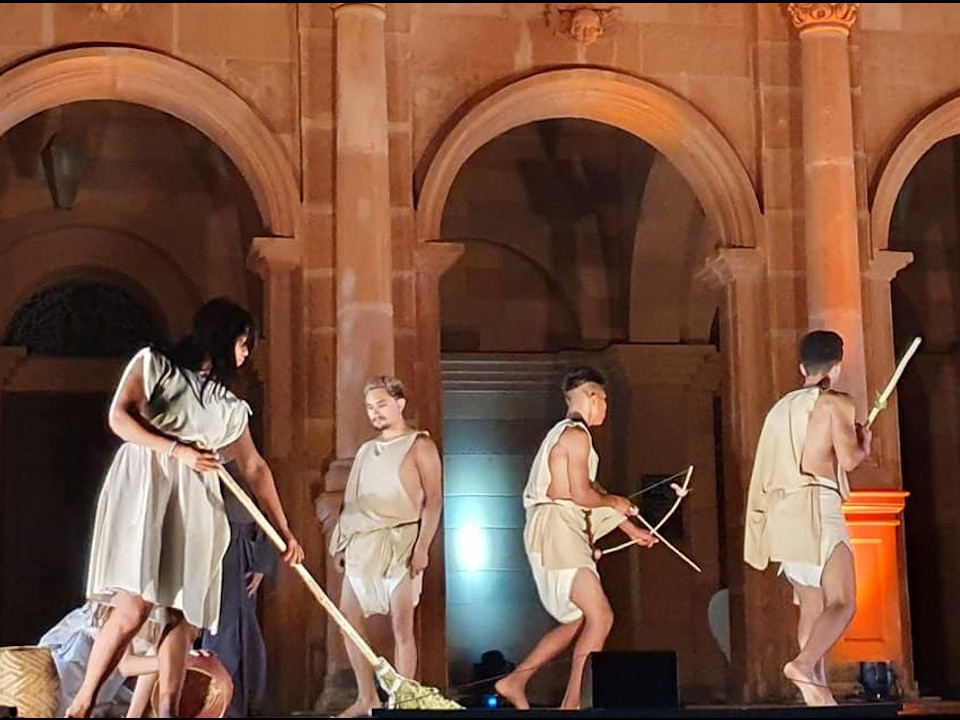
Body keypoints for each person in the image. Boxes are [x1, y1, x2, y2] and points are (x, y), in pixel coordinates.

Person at [65, 298, 305, 718]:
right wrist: (178, 450)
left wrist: (283, 531)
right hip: (146, 490)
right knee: (134, 606)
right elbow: (120, 418)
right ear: (223, 336)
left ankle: (169, 711)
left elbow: (254, 467)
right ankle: (82, 703)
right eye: (243, 344)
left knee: (183, 612)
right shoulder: (154, 366)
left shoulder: (228, 407)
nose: (245, 355)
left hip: (195, 503)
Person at [495, 366, 657, 710]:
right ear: (591, 397)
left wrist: (631, 528)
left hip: (560, 527)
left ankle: (516, 680)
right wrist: (616, 502)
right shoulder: (576, 436)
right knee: (602, 617)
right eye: (604, 400)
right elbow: (583, 495)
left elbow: (586, 494)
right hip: (557, 530)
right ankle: (571, 706)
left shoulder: (565, 433)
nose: (606, 408)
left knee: (575, 620)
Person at [744, 330, 871, 706]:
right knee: (843, 602)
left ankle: (818, 696)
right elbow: (848, 460)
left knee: (812, 605)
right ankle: (802, 664)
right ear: (838, 366)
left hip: (783, 517)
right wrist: (863, 445)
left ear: (802, 368)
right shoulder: (835, 402)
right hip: (817, 505)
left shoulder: (779, 409)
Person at [329, 376, 443, 718]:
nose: (375, 413)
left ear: (399, 403)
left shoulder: (420, 445)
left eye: (381, 405)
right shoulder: (366, 450)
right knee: (348, 619)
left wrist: (422, 546)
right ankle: (367, 697)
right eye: (369, 407)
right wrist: (342, 543)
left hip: (400, 543)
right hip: (363, 543)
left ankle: (403, 702)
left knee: (402, 626)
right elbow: (353, 501)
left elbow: (434, 500)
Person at [199, 466, 278, 717]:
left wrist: (261, 560)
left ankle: (237, 705)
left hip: (240, 546)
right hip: (212, 548)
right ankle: (220, 705)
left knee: (240, 628)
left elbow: (265, 502)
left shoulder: (243, 461)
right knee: (221, 630)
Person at [39, 602, 211, 718]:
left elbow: (146, 663)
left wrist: (183, 660)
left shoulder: (172, 625)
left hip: (107, 680)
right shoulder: (127, 611)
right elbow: (127, 664)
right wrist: (185, 660)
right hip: (83, 665)